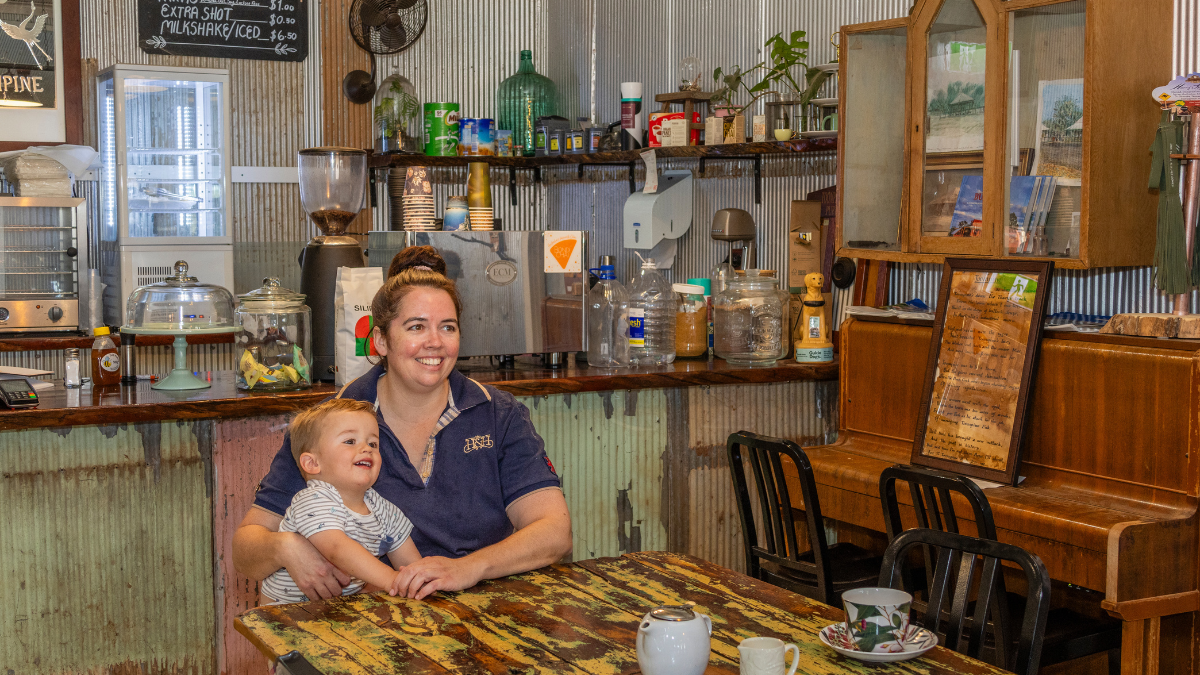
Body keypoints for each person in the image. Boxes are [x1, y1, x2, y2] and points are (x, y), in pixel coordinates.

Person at [233, 250, 572, 601]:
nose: (435, 342)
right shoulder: (328, 423)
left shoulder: (497, 414)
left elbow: (554, 531)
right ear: (381, 340)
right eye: (416, 327)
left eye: (448, 327)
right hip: (362, 627)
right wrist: (285, 547)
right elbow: (246, 551)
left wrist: (469, 567)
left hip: (481, 613)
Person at [259, 398, 422, 604]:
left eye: (373, 443)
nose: (366, 448)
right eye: (350, 441)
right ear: (312, 463)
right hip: (284, 618)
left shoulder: (383, 508)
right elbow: (337, 548)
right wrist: (393, 580)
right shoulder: (313, 498)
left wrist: (419, 581)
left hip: (337, 613)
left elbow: (410, 563)